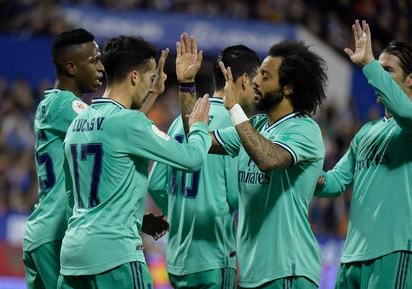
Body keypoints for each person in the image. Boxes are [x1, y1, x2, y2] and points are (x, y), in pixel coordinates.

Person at [57, 35, 212, 289]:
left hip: (73, 257)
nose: (152, 86)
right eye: (151, 79)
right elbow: (192, 158)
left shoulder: (78, 123)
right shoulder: (129, 123)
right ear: (134, 77)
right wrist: (198, 129)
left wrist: (136, 219)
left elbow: (76, 199)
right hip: (115, 256)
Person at [210, 40, 328, 288]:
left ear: (288, 89)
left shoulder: (304, 129)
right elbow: (201, 144)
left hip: (287, 270)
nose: (255, 81)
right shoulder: (257, 125)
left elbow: (267, 159)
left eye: (265, 76)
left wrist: (234, 110)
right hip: (253, 272)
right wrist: (186, 86)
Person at [148, 33, 261, 289]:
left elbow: (156, 184)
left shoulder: (183, 121)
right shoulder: (240, 128)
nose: (258, 91)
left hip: (177, 258)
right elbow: (236, 195)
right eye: (256, 82)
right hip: (214, 256)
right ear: (243, 81)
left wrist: (181, 210)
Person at [315, 19, 412, 289]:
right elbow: (336, 182)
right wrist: (307, 176)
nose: (378, 77)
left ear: (411, 79)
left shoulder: (409, 123)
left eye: (388, 71)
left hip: (394, 251)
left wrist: (369, 64)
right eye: (378, 70)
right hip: (352, 255)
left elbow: (404, 111)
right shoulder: (366, 132)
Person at [23, 28, 105, 289]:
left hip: (42, 230)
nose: (101, 68)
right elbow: (110, 130)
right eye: (94, 61)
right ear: (71, 67)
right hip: (56, 232)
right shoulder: (64, 105)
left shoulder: (50, 103)